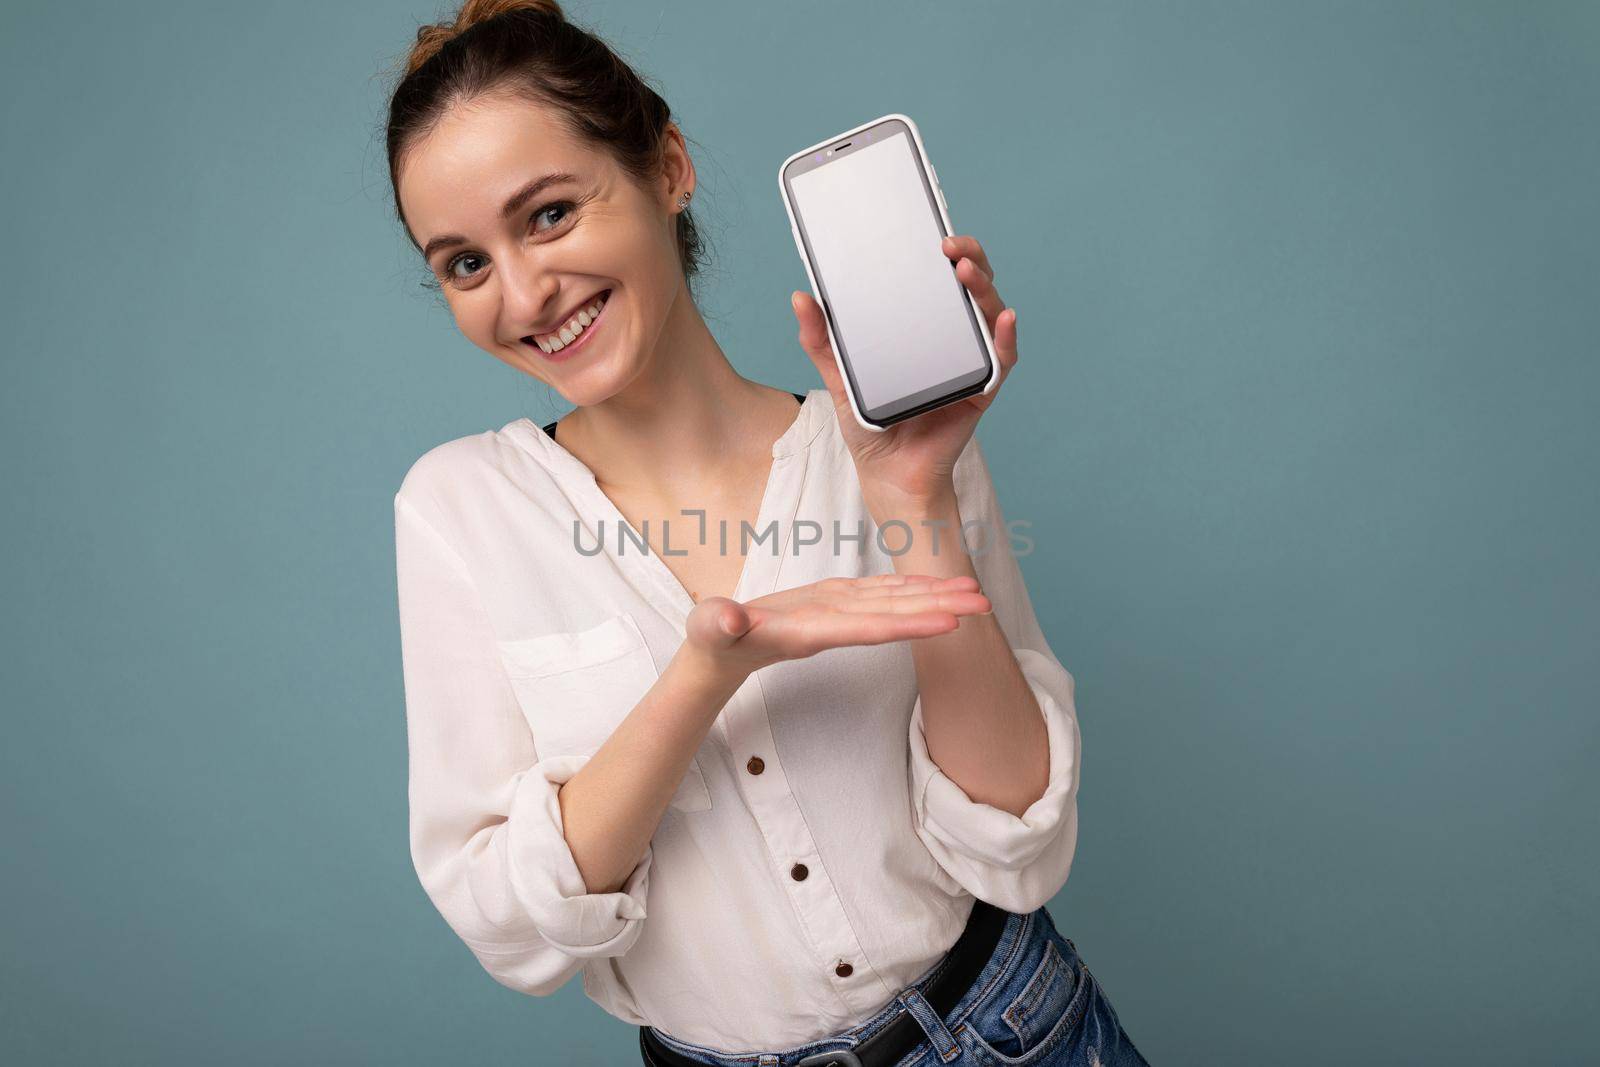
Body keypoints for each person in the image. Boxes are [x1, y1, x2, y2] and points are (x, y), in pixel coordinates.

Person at [385, 1, 1151, 1063]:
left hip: (1016, 1030)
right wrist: (705, 667)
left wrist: (913, 498)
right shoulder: (459, 510)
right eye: (464, 263)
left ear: (666, 166)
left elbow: (1016, 838)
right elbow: (510, 926)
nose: (523, 294)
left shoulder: (883, 438)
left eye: (549, 214)